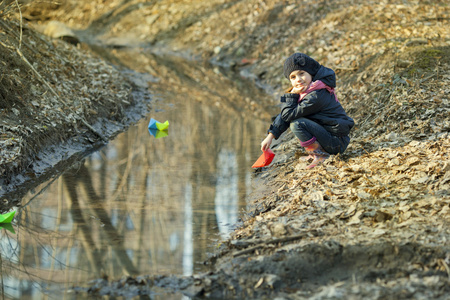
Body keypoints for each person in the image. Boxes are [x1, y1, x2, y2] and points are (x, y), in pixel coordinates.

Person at [261, 53, 354, 169]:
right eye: (293, 77)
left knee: (296, 124)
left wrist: (291, 95)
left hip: (336, 142)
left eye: (301, 74)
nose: (298, 80)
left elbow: (288, 114)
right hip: (328, 136)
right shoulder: (306, 90)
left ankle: (320, 155)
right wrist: (270, 135)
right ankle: (315, 153)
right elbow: (284, 112)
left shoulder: (316, 95)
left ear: (310, 73)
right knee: (294, 116)